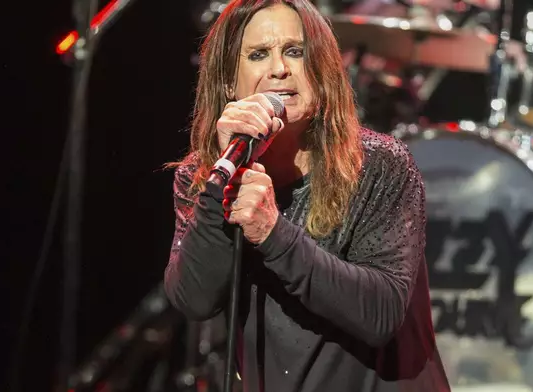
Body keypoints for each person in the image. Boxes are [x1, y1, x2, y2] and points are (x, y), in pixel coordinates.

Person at [164, 0, 450, 391]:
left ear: (320, 70)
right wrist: (220, 187)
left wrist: (271, 232)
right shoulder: (203, 178)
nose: (279, 68)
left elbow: (381, 315)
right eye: (258, 54)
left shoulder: (379, 165)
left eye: (295, 52)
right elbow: (195, 300)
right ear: (229, 81)